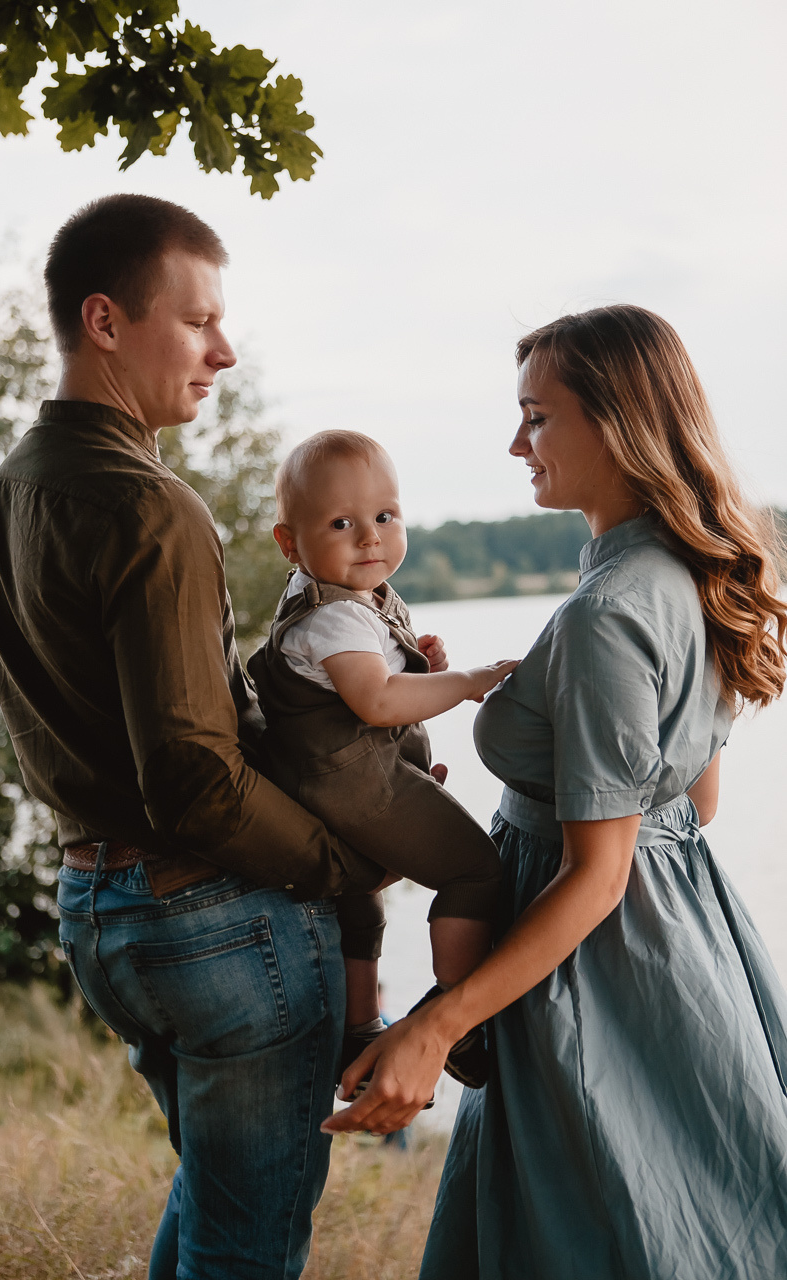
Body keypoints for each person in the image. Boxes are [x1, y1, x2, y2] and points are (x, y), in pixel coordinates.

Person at [322, 304, 787, 1279]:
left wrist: (438, 1020)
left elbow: (598, 873)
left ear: (615, 422)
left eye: (536, 417)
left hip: (587, 967)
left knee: (592, 1232)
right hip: (687, 948)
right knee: (694, 1203)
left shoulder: (609, 610)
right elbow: (692, 806)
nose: (513, 443)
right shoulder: (682, 571)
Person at [0, 193, 388, 1280]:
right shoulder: (153, 503)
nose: (226, 351)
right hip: (216, 922)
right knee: (245, 1244)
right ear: (105, 321)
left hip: (99, 917)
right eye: (198, 321)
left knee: (215, 1208)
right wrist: (340, 863)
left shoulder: (14, 484)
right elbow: (195, 779)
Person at [248, 430, 516, 1089]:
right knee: (476, 871)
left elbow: (377, 678)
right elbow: (374, 700)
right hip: (355, 786)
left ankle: (359, 1025)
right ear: (290, 543)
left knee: (357, 905)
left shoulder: (341, 599)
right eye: (341, 523)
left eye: (384, 517)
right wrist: (467, 682)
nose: (369, 538)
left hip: (325, 782)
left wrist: (419, 662)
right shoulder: (333, 618)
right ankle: (456, 1013)